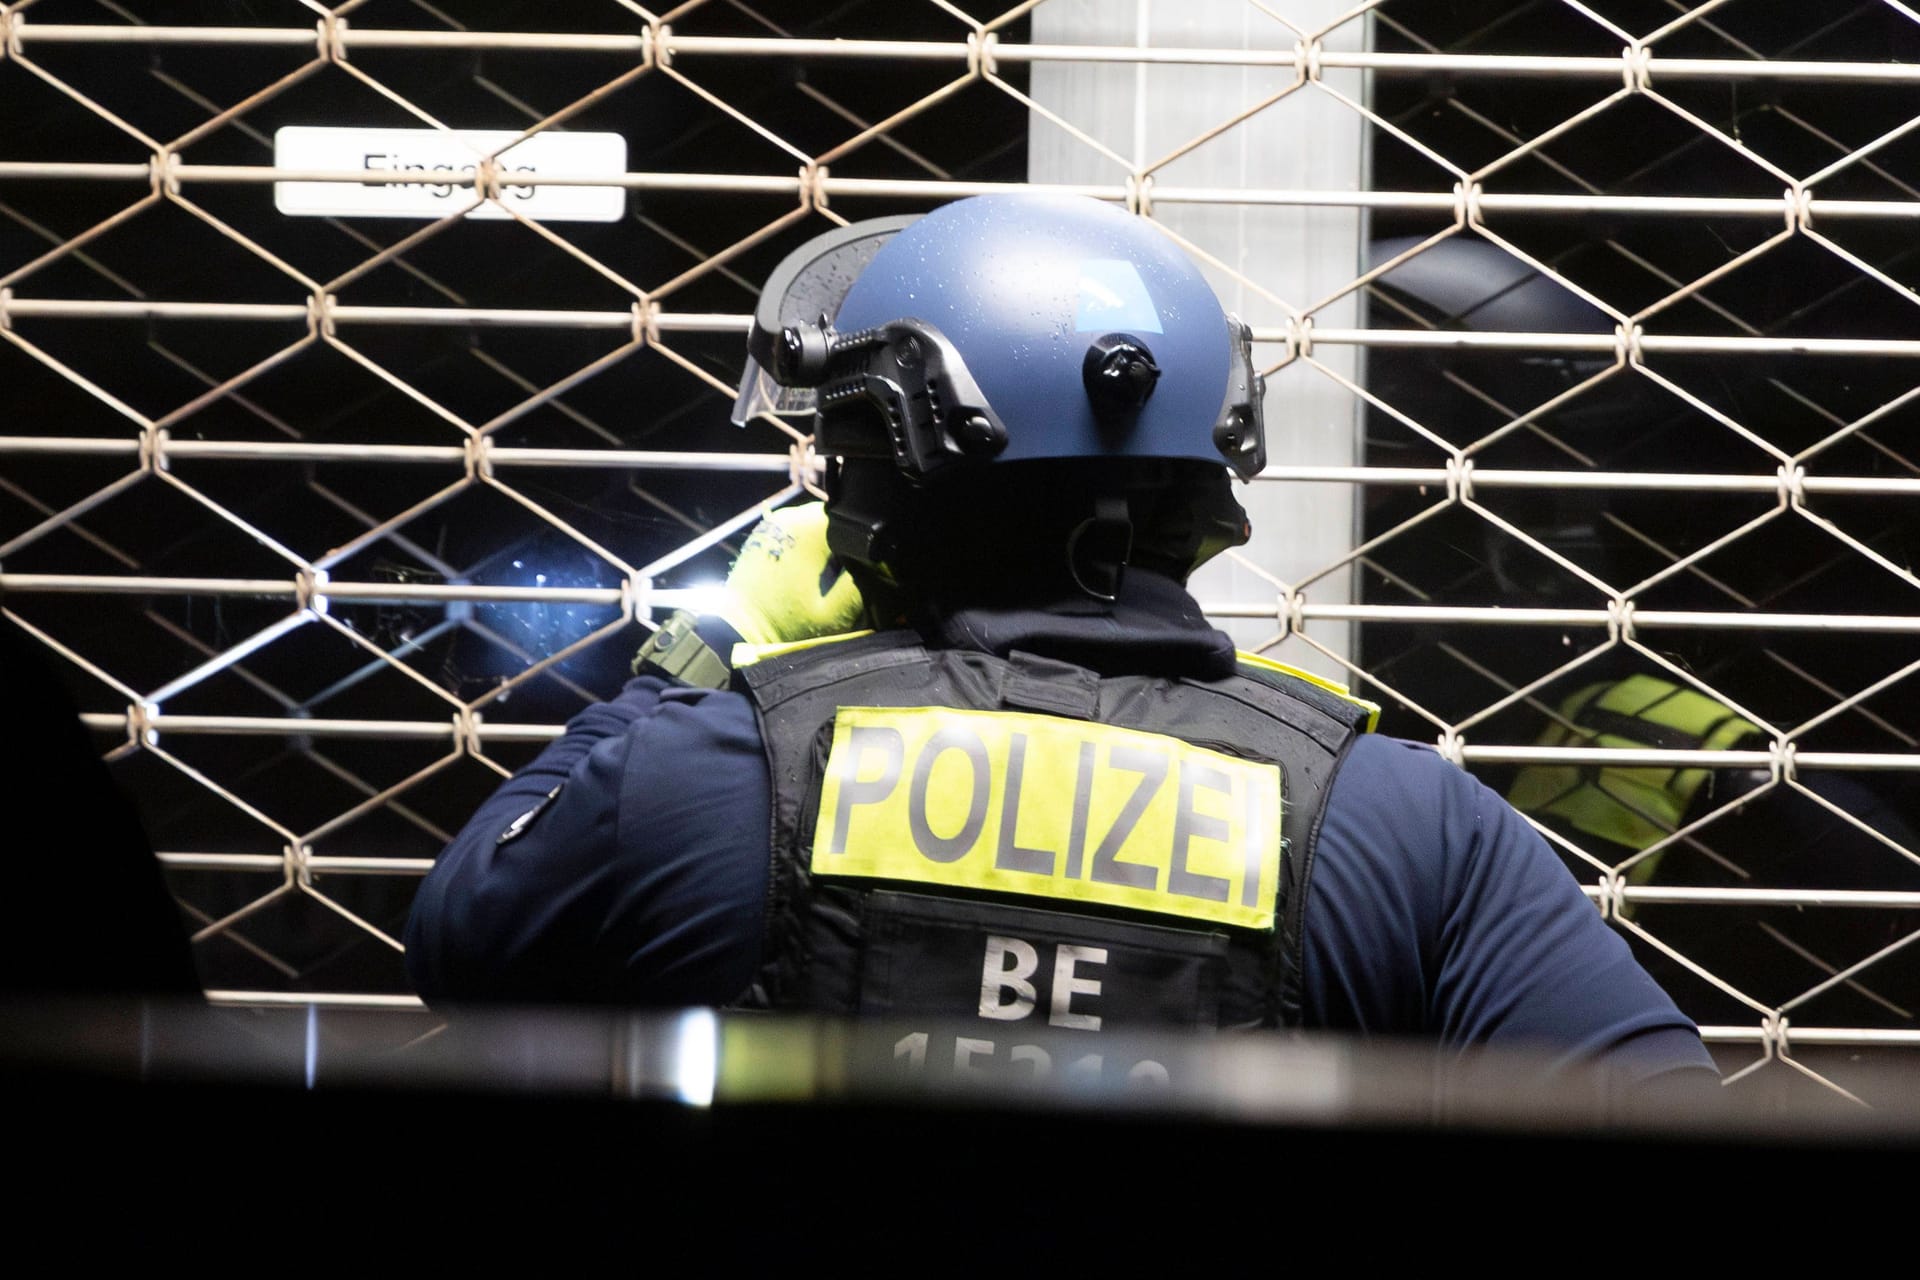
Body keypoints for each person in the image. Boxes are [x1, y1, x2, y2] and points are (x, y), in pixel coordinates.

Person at [404, 194, 1716, 1087]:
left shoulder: (707, 774)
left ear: (892, 472)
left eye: (841, 448)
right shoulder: (1405, 826)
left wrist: (703, 657)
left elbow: (462, 945)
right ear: (1208, 468)